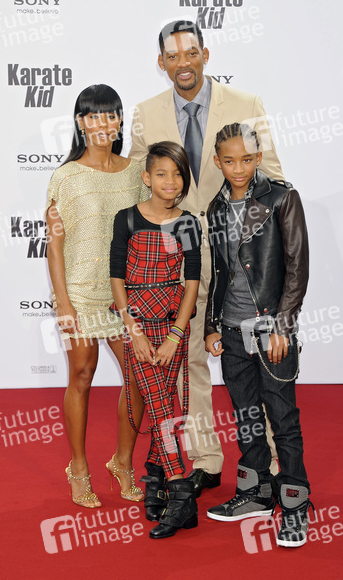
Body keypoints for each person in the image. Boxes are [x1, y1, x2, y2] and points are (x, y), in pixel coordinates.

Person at [129, 19, 282, 496]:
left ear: (206, 55)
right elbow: (136, 185)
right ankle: (205, 459)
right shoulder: (145, 112)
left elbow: (273, 179)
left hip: (240, 259)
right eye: (173, 56)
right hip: (176, 260)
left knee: (256, 361)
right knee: (190, 361)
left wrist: (255, 245)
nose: (183, 63)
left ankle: (272, 461)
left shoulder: (246, 103)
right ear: (161, 62)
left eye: (191, 53)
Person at [204, 122, 312, 547]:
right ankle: (256, 493)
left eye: (247, 160)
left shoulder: (282, 197)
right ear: (218, 161)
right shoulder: (215, 208)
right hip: (232, 330)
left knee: (282, 418)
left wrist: (284, 324)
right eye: (230, 161)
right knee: (246, 417)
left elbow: (298, 266)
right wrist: (212, 325)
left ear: (258, 157)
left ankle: (296, 504)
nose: (238, 168)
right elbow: (219, 272)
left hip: (270, 331)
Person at [46, 84, 149, 508]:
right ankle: (78, 467)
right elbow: (55, 245)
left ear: (120, 121)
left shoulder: (136, 172)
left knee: (139, 377)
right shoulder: (65, 176)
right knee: (82, 376)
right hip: (81, 293)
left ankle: (122, 462)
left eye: (110, 115)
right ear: (80, 122)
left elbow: (147, 230)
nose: (102, 123)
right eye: (92, 115)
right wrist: (64, 303)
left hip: (123, 295)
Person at [110, 141, 201, 539]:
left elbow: (192, 282)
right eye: (161, 173)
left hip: (172, 325)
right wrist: (133, 330)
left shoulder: (188, 223)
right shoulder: (126, 219)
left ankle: (155, 477)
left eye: (178, 174)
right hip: (138, 326)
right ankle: (180, 488)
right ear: (147, 178)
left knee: (164, 401)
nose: (170, 181)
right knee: (162, 405)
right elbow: (116, 277)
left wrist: (176, 335)